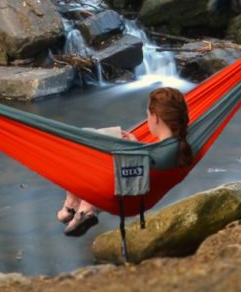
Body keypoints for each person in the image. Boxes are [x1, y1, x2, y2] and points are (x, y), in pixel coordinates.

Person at [59, 87, 194, 236]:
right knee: (92, 139)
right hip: (133, 187)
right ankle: (82, 207)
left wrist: (134, 148)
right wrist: (136, 146)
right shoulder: (180, 145)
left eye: (147, 115)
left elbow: (139, 169)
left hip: (126, 190)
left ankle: (77, 205)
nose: (147, 119)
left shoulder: (156, 153)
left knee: (78, 143)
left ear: (155, 117)